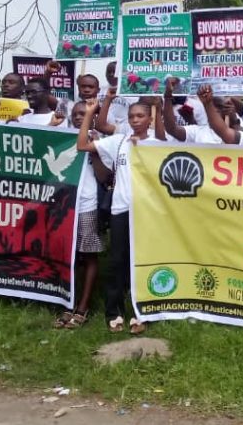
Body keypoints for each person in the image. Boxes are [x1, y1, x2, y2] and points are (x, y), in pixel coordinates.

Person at [76, 98, 159, 334]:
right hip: (120, 209)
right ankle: (114, 312)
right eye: (131, 116)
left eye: (140, 116)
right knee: (117, 261)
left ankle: (142, 312)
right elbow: (82, 145)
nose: (135, 120)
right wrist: (90, 113)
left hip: (147, 211)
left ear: (150, 119)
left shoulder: (158, 144)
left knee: (143, 261)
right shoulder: (119, 141)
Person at [52, 101, 105, 329]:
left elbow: (104, 176)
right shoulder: (62, 137)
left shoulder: (99, 140)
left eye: (84, 113)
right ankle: (68, 302)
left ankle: (83, 306)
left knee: (89, 254)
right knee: (68, 256)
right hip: (65, 204)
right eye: (75, 114)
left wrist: (96, 150)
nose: (79, 117)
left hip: (86, 204)